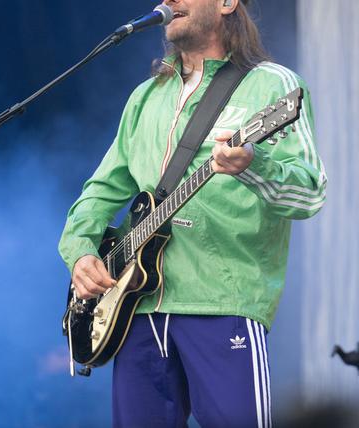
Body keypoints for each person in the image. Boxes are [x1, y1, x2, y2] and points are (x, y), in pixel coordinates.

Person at [58, 0, 325, 426]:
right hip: (136, 310)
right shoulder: (146, 98)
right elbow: (100, 192)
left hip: (222, 303)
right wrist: (82, 252)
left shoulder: (274, 86)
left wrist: (254, 165)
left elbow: (309, 194)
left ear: (226, 3)